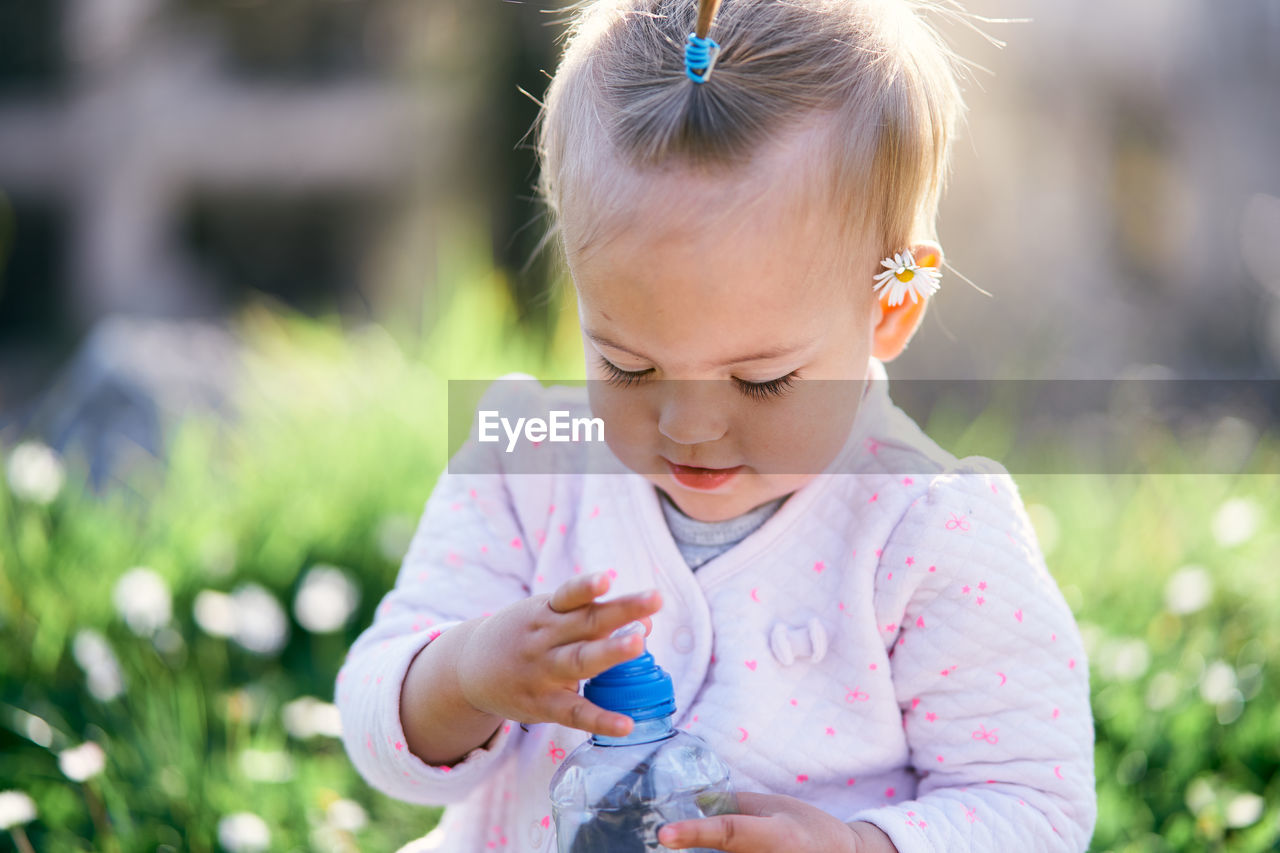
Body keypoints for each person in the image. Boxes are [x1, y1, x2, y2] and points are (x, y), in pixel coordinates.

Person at [336, 0, 1097, 850]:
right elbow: (375, 730)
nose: (689, 425)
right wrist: (466, 674)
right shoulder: (532, 467)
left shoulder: (926, 529)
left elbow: (1034, 808)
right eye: (629, 365)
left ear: (892, 306)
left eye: (761, 379)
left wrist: (856, 845)